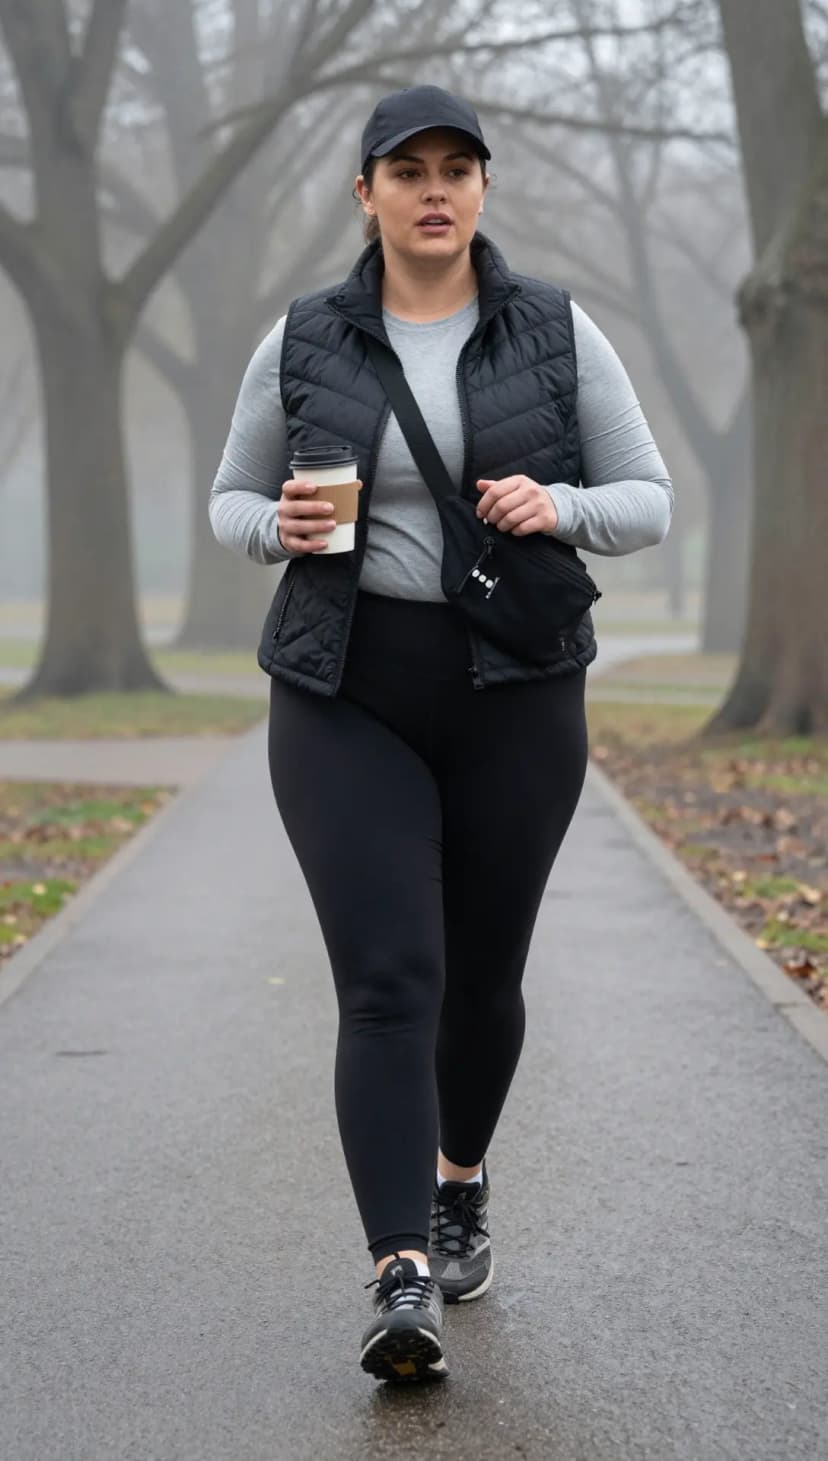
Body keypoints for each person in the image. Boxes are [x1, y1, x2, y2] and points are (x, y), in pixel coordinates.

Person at [209, 84, 673, 1385]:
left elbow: (649, 500)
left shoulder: (555, 332)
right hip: (344, 686)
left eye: (455, 167)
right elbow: (231, 498)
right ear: (365, 193)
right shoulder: (302, 338)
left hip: (517, 687)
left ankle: (461, 1175)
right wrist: (275, 531)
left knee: (481, 976)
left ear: (481, 190)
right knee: (390, 974)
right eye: (404, 167)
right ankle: (400, 1265)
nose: (432, 187)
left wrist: (559, 501)